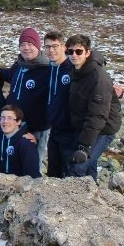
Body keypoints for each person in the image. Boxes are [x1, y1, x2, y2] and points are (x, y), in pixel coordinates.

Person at [66, 34, 122, 181]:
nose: (74, 55)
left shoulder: (98, 78)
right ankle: (94, 199)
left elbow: (97, 115)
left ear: (87, 52)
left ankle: (76, 201)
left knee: (78, 167)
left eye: (78, 51)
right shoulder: (78, 72)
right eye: (70, 52)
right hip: (87, 125)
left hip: (103, 128)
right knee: (90, 167)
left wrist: (84, 146)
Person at [1, 27, 50, 169]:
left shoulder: (46, 69)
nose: (26, 48)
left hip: (36, 128)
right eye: (22, 44)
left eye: (30, 44)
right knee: (15, 162)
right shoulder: (19, 65)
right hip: (15, 124)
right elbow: (9, 75)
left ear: (38, 46)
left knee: (33, 165)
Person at [42, 30, 74, 178]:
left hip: (71, 130)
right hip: (54, 129)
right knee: (53, 172)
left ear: (64, 47)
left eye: (55, 46)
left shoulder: (72, 68)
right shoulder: (49, 69)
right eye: (47, 47)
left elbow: (95, 82)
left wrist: (117, 92)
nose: (51, 50)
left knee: (71, 172)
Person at [0, 105, 41, 178]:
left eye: (10, 118)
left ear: (18, 122)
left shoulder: (26, 143)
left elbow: (32, 176)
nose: (5, 121)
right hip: (1, 182)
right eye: (2, 118)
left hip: (19, 185)